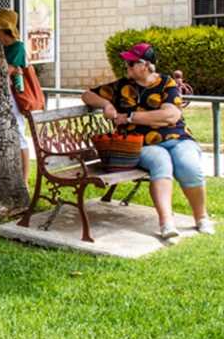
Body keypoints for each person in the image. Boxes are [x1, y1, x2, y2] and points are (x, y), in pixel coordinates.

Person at [81, 42, 215, 238]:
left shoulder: (166, 83)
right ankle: (166, 223)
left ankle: (201, 218)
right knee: (161, 163)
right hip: (141, 143)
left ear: (145, 66)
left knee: (188, 165)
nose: (126, 67)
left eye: (130, 63)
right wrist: (106, 104)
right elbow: (87, 95)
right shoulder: (121, 86)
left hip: (178, 138)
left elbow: (170, 116)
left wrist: (130, 117)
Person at [0, 9, 30, 188]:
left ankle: (25, 179)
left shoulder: (17, 47)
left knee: (19, 133)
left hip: (14, 95)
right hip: (1, 95)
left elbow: (6, 70)